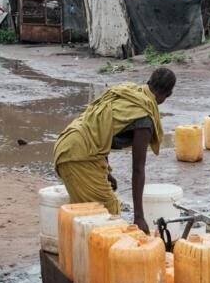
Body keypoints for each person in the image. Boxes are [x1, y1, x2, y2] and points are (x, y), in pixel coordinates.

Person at [53, 68, 176, 233]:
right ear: (168, 95)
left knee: (91, 214)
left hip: (70, 142)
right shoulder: (144, 118)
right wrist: (139, 216)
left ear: (148, 83)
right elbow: (138, 169)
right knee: (107, 216)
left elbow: (102, 128)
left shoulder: (129, 91)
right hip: (78, 155)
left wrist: (106, 173)